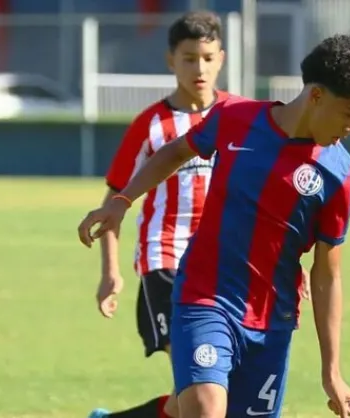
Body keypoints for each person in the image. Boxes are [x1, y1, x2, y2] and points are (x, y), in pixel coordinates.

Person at [79, 34, 350, 418]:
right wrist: (122, 201)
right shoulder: (235, 118)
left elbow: (327, 273)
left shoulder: (340, 174)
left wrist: (332, 372)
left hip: (272, 321)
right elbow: (177, 151)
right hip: (205, 298)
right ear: (316, 96)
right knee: (206, 408)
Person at [88, 10, 228, 418]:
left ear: (221, 58)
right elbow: (114, 201)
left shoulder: (235, 117)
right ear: (171, 60)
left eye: (207, 58)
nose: (199, 69)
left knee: (197, 397)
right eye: (189, 58)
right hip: (164, 261)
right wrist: (110, 272)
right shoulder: (150, 125)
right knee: (198, 387)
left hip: (223, 264)